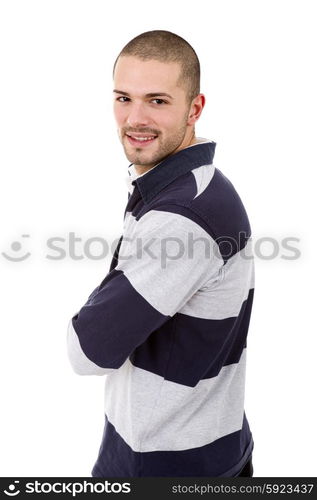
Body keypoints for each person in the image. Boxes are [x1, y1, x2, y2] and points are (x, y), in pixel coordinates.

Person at [67, 30, 255, 478]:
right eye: (123, 97)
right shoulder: (194, 185)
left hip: (167, 465)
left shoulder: (183, 218)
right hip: (201, 442)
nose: (135, 118)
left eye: (157, 100)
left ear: (195, 108)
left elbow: (86, 352)